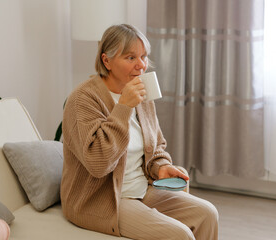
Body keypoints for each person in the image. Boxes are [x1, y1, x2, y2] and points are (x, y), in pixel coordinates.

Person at [60, 24, 218, 240]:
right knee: (180, 235)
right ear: (107, 61)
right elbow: (98, 163)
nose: (141, 65)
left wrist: (161, 167)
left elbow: (156, 146)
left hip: (143, 188)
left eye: (143, 56)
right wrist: (123, 107)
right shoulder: (82, 99)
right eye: (130, 57)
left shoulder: (140, 90)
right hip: (105, 200)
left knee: (208, 214)